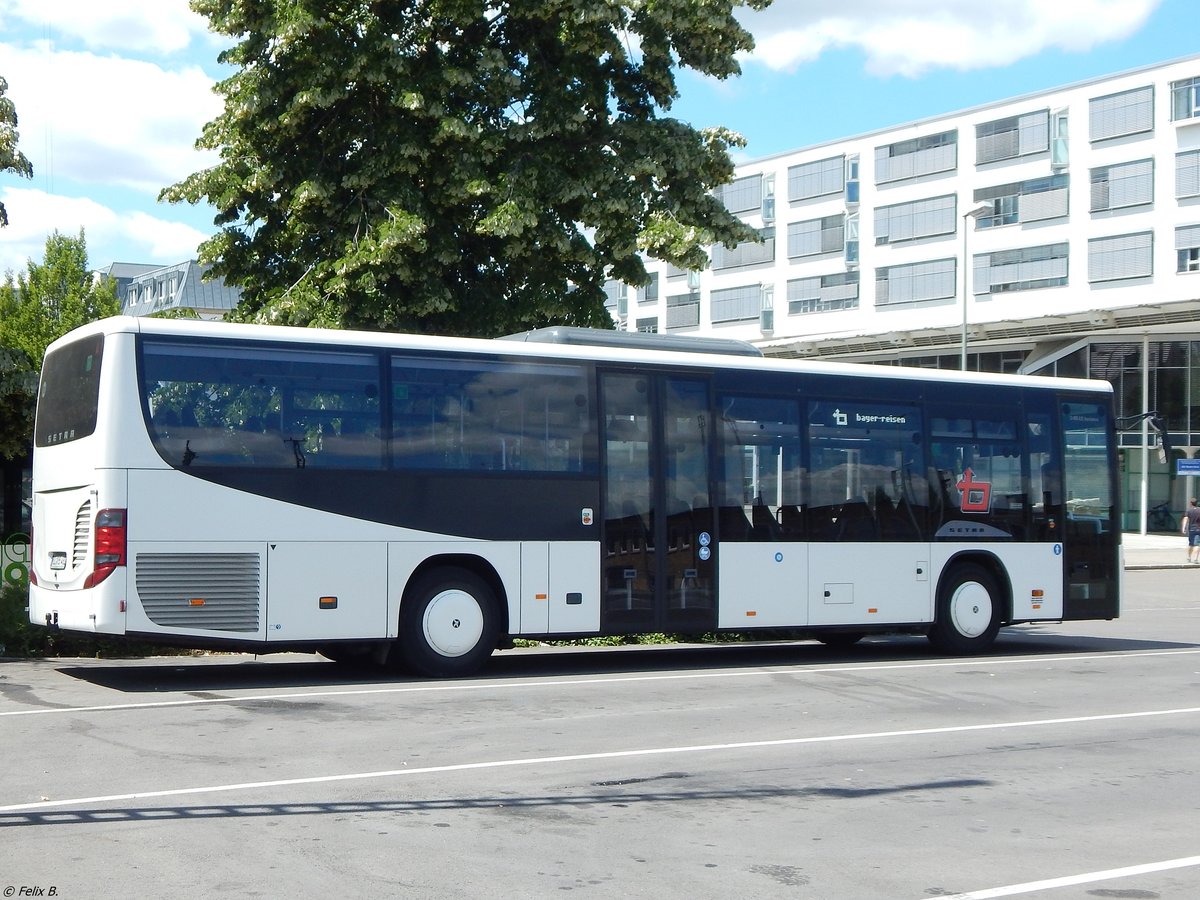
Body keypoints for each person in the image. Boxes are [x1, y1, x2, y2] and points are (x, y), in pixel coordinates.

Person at [1184, 498, 1200, 564]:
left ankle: (1189, 557)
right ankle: (1196, 559)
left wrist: (1184, 528)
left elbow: (1186, 519)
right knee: (1197, 545)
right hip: (1198, 529)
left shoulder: (1189, 510)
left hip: (1191, 529)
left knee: (1191, 544)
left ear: (1191, 503)